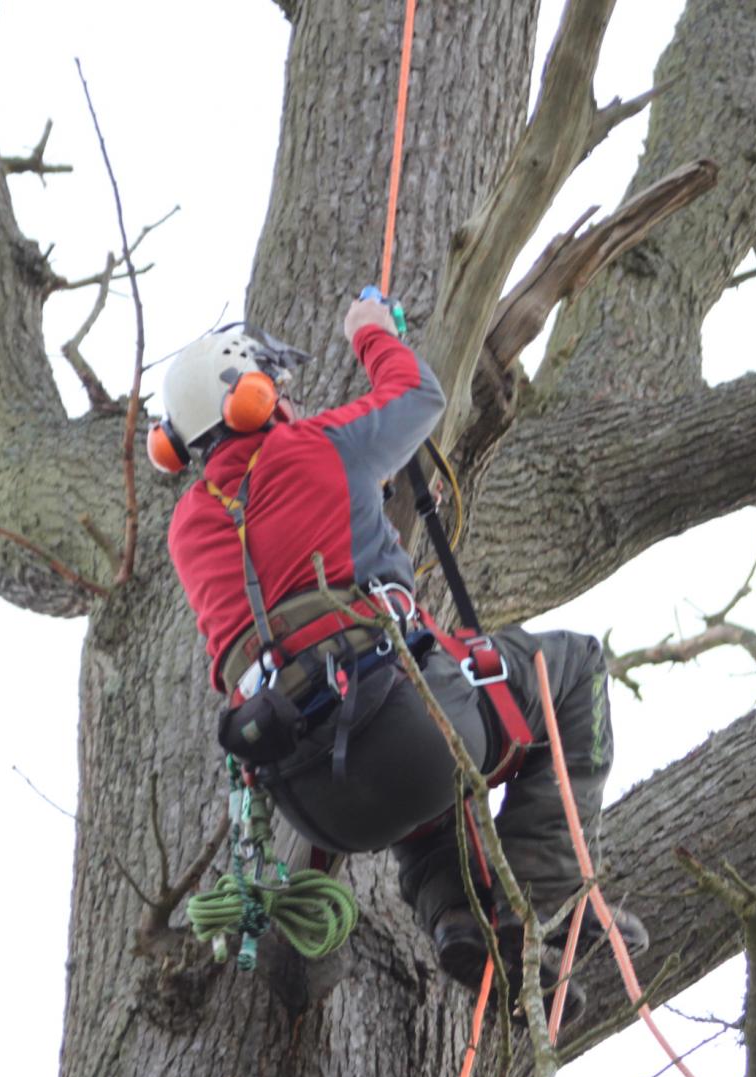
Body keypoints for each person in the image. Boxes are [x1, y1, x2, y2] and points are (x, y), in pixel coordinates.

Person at [148, 296, 645, 1015]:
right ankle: (550, 901)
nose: (288, 397)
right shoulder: (314, 446)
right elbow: (418, 397)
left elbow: (283, 546)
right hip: (409, 730)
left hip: (316, 801)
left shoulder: (189, 527)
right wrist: (370, 332)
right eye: (275, 385)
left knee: (418, 780)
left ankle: (458, 917)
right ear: (250, 394)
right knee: (571, 669)